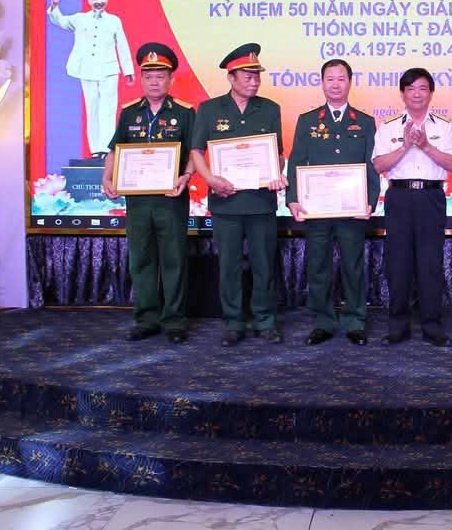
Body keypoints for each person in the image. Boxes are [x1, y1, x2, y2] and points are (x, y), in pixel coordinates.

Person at [190, 43, 287, 347]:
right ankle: (233, 323)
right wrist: (210, 179)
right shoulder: (209, 109)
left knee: (263, 265)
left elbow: (278, 154)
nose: (254, 82)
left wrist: (277, 172)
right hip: (226, 203)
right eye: (248, 76)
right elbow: (196, 151)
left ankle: (265, 321)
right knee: (229, 266)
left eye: (257, 76)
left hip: (260, 203)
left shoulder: (270, 109)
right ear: (231, 77)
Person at [102, 43, 194, 343]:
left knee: (174, 260)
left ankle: (175, 321)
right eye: (149, 76)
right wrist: (107, 176)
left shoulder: (185, 112)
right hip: (138, 202)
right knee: (141, 260)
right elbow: (116, 149)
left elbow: (195, 152)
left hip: (171, 200)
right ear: (141, 79)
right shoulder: (129, 113)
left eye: (160, 76)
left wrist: (186, 176)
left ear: (171, 79)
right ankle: (146, 319)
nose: (154, 82)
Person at [286, 59, 380, 346]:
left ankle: (355, 321)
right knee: (318, 266)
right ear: (322, 83)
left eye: (341, 79)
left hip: (352, 211)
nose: (335, 84)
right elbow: (297, 161)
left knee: (353, 266)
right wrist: (293, 199)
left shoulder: (364, 122)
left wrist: (370, 201)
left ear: (349, 82)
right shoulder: (307, 120)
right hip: (317, 210)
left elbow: (372, 166)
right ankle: (323, 321)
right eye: (330, 79)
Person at [372, 68, 452, 347]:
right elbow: (378, 165)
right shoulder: (388, 127)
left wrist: (425, 146)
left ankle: (432, 327)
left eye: (422, 88)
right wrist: (404, 146)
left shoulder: (444, 127)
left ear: (431, 93)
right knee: (398, 264)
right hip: (399, 198)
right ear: (402, 94)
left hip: (430, 197)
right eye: (410, 89)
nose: (417, 94)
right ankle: (397, 326)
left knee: (430, 263)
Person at [48, 0, 134, 157]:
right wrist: (55, 5)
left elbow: (122, 45)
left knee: (108, 110)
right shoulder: (79, 19)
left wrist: (128, 70)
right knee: (92, 108)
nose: (99, 1)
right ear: (89, 1)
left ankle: (106, 148)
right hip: (86, 70)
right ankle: (96, 150)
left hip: (109, 70)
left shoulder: (114, 21)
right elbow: (60, 21)